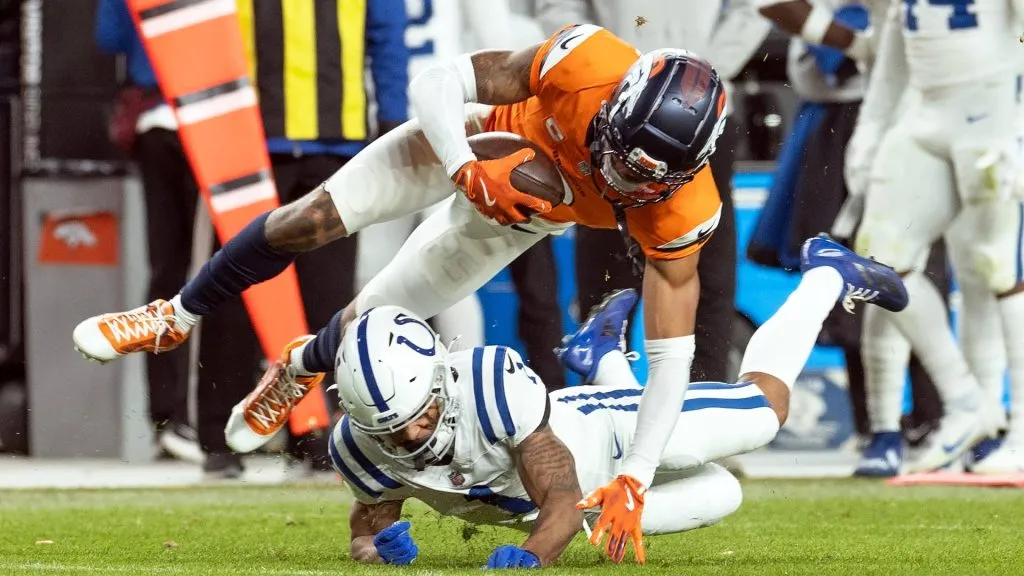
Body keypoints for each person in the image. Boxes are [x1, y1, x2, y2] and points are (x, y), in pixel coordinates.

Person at [80, 25, 749, 561]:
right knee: (308, 219)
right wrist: (463, 164)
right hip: (475, 136)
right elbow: (439, 82)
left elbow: (671, 358)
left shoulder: (684, 212)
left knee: (372, 324)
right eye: (621, 158)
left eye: (645, 180)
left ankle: (300, 364)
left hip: (527, 213)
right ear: (616, 108)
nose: (623, 184)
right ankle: (175, 314)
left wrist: (636, 474)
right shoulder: (587, 63)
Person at [332, 236, 908, 567]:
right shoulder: (359, 445)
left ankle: (825, 275)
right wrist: (373, 547)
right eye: (389, 431)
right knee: (722, 493)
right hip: (585, 501)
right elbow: (370, 516)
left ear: (440, 383)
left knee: (763, 412)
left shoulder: (489, 390)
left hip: (608, 433)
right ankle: (601, 355)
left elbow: (559, 502)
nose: (410, 438)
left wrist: (531, 558)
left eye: (421, 417)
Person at [536, 0, 770, 384]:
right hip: (616, 107)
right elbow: (557, 7)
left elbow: (756, 6)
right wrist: (619, 71)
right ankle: (603, 398)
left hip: (699, 115)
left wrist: (700, 74)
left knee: (705, 270)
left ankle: (703, 399)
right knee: (605, 277)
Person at [93, 0, 202, 464]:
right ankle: (194, 417)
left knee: (168, 270)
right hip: (212, 117)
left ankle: (170, 418)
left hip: (158, 117)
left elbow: (110, 37)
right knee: (216, 270)